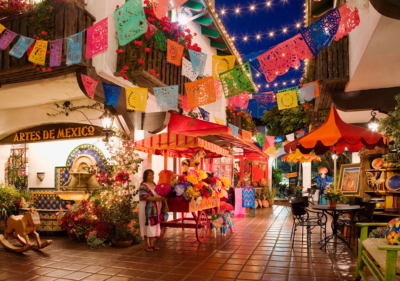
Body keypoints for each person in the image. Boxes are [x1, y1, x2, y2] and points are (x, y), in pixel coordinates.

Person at [138, 169, 167, 252]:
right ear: (145, 176)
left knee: (153, 225)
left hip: (155, 208)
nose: (152, 176)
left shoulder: (154, 184)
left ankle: (152, 244)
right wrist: (158, 198)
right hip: (146, 208)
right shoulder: (143, 185)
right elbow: (145, 197)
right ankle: (147, 245)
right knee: (147, 225)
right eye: (150, 175)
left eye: (152, 175)